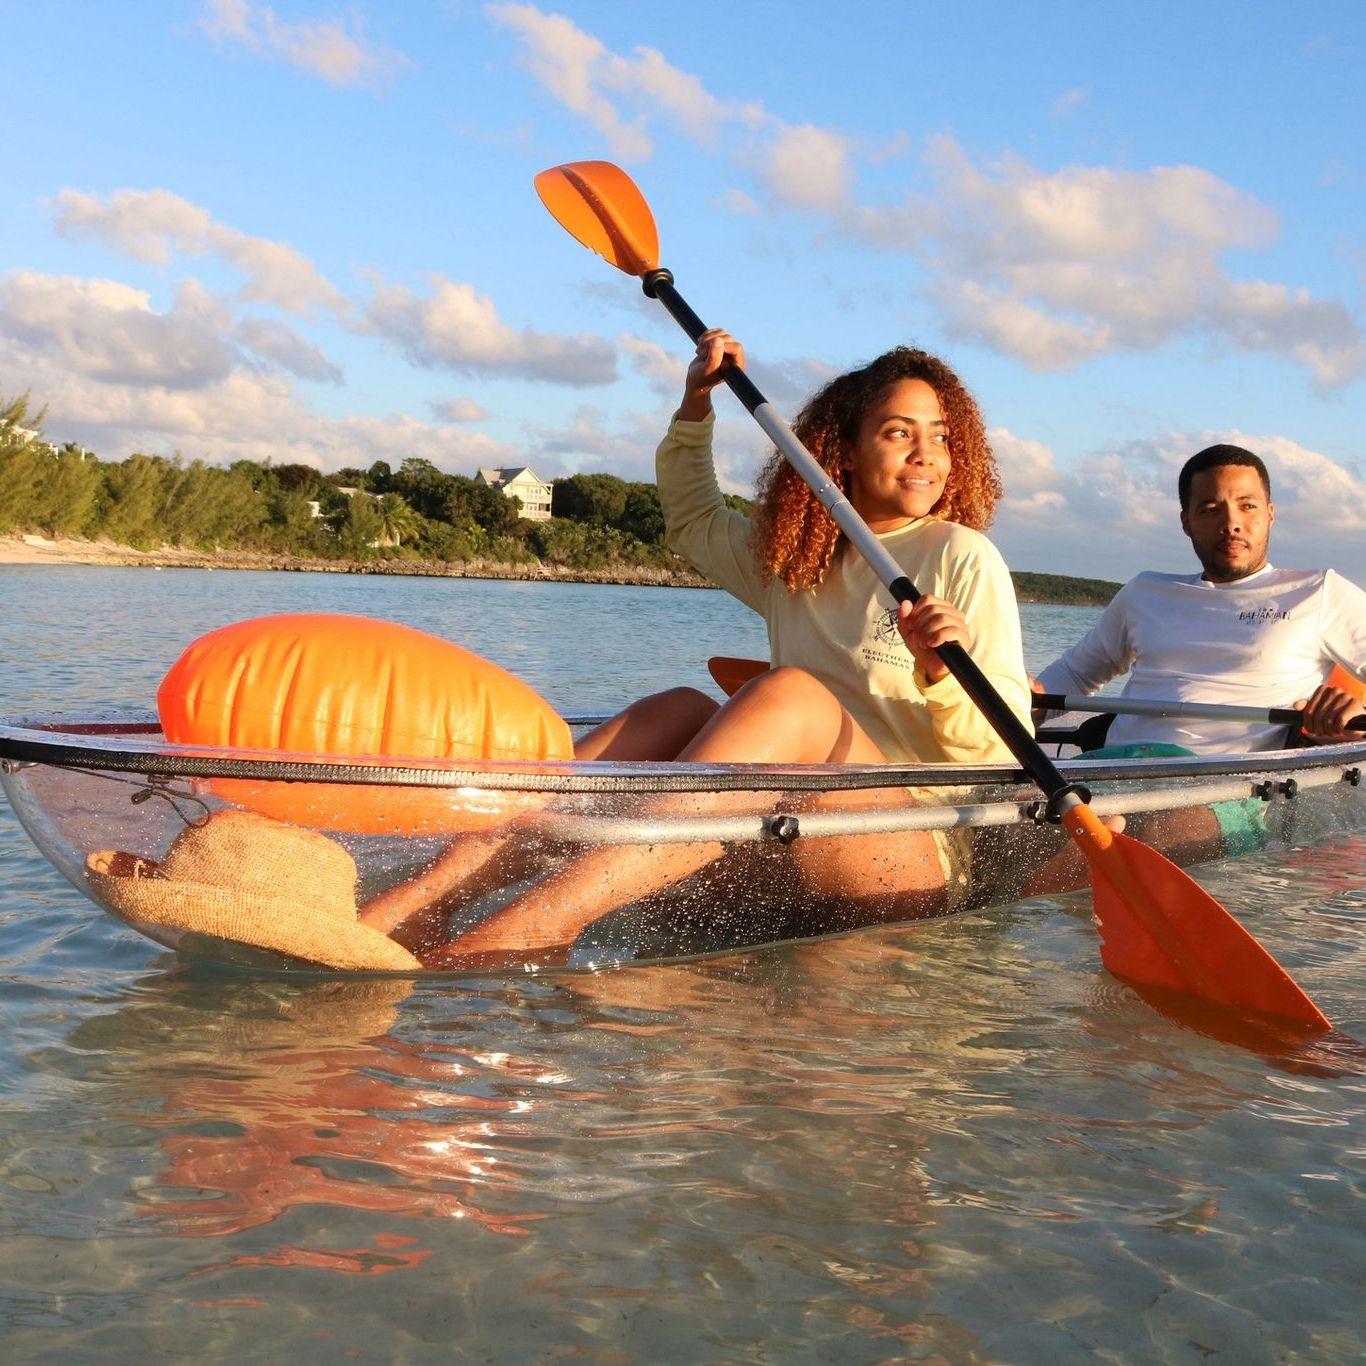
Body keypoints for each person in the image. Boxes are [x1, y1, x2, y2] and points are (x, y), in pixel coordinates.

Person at [391, 330, 1034, 966]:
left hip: (908, 849)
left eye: (941, 437)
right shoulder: (801, 555)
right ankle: (419, 904)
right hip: (780, 835)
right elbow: (694, 518)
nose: (926, 455)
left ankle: (531, 927)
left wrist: (940, 675)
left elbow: (1008, 756)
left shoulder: (962, 556)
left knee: (792, 696)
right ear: (844, 450)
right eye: (899, 432)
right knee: (677, 709)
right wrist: (696, 404)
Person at [1034, 444, 1366, 754]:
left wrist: (1357, 716)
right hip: (1115, 768)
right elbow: (1075, 674)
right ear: (1186, 522)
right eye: (1210, 510)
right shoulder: (1144, 592)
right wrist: (1023, 699)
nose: (1231, 523)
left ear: (1270, 514)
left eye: (1247, 506)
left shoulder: (1319, 591)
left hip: (1225, 783)